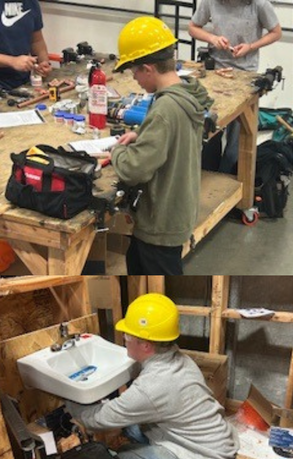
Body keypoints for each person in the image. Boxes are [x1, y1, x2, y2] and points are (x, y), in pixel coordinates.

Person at [66, 293, 238, 459]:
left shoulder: (152, 387)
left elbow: (97, 420)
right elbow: (141, 396)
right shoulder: (179, 359)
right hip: (215, 443)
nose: (124, 339)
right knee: (132, 428)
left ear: (146, 345)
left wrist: (69, 401)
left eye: (128, 336)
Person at [111, 16, 214, 274]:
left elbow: (134, 169)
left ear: (148, 69)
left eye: (134, 71)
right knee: (136, 262)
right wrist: (142, 134)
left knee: (161, 279)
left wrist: (118, 151)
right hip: (177, 210)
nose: (134, 78)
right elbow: (170, 132)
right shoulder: (188, 94)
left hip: (161, 222)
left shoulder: (164, 110)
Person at [188, 0, 282, 174]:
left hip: (245, 74)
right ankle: (208, 177)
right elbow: (193, 27)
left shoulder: (259, 4)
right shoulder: (211, 1)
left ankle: (230, 176)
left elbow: (276, 32)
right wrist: (212, 38)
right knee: (210, 131)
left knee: (237, 140)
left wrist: (251, 46)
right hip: (215, 72)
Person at [0, 0, 51, 90]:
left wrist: (44, 63)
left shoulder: (31, 3)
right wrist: (12, 61)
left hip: (22, 83)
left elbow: (37, 41)